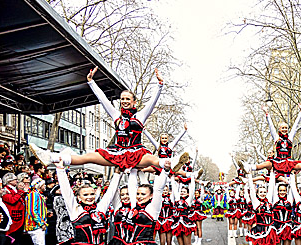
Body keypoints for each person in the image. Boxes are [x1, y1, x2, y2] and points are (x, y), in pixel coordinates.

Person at [30, 69, 185, 208]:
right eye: (122, 99)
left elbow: (152, 103)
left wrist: (160, 84)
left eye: (127, 99)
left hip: (135, 153)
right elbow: (102, 99)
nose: (124, 101)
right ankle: (51, 157)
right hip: (117, 152)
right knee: (89, 157)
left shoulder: (140, 116)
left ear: (134, 102)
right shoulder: (116, 116)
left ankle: (171, 162)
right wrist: (91, 82)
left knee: (151, 159)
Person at [247, 172, 280, 245]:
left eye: (264, 192)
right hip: (259, 231)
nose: (263, 193)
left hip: (270, 231)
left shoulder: (270, 203)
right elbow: (251, 189)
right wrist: (249, 176)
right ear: (257, 193)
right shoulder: (256, 203)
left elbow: (271, 188)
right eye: (260, 192)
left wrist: (272, 173)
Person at [23, 176, 49, 245]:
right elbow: (32, 211)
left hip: (38, 225)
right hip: (34, 225)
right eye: (43, 184)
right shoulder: (33, 195)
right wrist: (41, 223)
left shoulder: (37, 194)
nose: (45, 186)